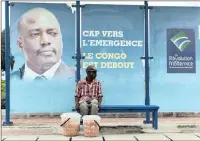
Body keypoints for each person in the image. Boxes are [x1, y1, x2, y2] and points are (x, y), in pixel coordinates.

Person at [11, 7, 75, 81]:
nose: (45, 41)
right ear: (20, 44)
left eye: (52, 33)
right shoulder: (11, 80)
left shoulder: (81, 77)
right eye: (35, 34)